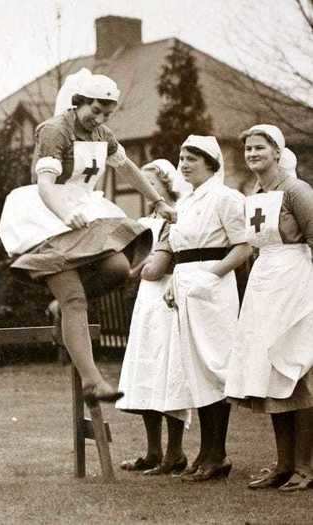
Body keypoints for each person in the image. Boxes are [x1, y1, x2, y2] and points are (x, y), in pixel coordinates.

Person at [0, 68, 176, 403]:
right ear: (79, 102)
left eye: (107, 113)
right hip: (47, 214)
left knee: (117, 269)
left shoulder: (103, 134)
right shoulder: (54, 131)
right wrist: (65, 213)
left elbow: (127, 169)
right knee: (75, 300)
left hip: (86, 208)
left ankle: (58, 307)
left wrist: (158, 200)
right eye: (95, 110)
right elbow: (46, 187)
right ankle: (92, 379)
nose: (100, 118)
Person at [225, 124, 313, 492]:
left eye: (260, 148)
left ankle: (307, 467)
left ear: (277, 152)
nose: (252, 154)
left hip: (296, 282)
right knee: (269, 374)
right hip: (265, 284)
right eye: (248, 149)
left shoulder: (297, 190)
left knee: (296, 367)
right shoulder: (255, 193)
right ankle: (283, 464)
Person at [160, 135, 252, 482]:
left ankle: (219, 454)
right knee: (195, 368)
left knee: (215, 365)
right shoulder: (184, 202)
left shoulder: (227, 198)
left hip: (213, 288)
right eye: (182, 157)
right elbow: (180, 250)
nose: (184, 164)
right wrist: (175, 281)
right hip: (186, 284)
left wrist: (209, 277)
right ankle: (205, 453)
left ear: (211, 163)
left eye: (192, 159)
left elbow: (243, 247)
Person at [117, 159, 191, 475]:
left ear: (163, 184)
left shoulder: (178, 216)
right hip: (146, 302)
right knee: (146, 371)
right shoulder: (143, 222)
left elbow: (155, 267)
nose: (144, 190)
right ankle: (152, 451)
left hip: (170, 297)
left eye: (149, 183)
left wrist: (135, 270)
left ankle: (175, 453)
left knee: (170, 370)